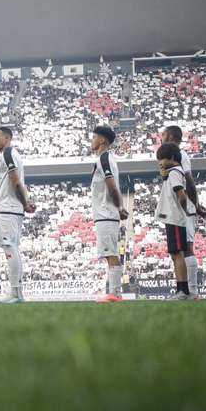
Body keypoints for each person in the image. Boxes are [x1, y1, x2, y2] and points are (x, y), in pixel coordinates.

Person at [161, 125, 206, 298]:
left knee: (186, 247)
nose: (161, 138)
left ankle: (192, 291)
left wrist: (195, 204)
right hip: (180, 207)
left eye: (163, 135)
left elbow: (189, 181)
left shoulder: (181, 156)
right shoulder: (171, 159)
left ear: (171, 137)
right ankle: (187, 290)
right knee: (182, 247)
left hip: (184, 208)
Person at [0, 126, 36, 303]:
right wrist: (27, 200)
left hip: (9, 207)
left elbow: (16, 180)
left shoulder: (8, 153)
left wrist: (25, 202)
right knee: (12, 247)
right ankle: (16, 291)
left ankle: (16, 292)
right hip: (12, 207)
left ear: (7, 138)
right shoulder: (10, 154)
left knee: (9, 247)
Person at [91, 127, 129, 303]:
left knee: (111, 254)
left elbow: (112, 186)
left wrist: (120, 207)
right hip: (105, 213)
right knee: (109, 254)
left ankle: (115, 294)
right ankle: (115, 293)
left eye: (95, 137)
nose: (92, 140)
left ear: (102, 141)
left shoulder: (104, 158)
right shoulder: (105, 159)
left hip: (106, 213)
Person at [155, 143, 192, 300]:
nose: (160, 163)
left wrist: (185, 210)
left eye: (162, 159)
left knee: (177, 254)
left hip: (175, 217)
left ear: (171, 158)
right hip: (173, 217)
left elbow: (181, 195)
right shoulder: (172, 172)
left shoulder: (175, 172)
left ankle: (183, 290)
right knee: (175, 254)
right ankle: (181, 289)